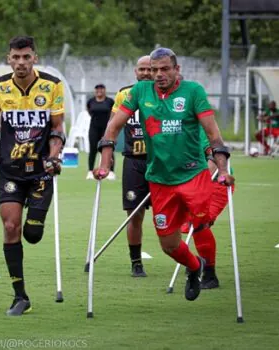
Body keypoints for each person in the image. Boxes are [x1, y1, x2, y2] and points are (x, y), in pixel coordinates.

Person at [94, 48, 234, 302]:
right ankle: (194, 267)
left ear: (176, 69)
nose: (158, 75)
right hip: (159, 180)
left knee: (200, 224)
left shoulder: (193, 92)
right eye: (154, 70)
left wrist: (223, 170)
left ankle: (210, 271)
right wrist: (105, 163)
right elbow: (113, 128)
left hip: (193, 176)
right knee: (168, 245)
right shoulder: (140, 92)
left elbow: (214, 136)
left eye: (164, 69)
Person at [0, 36, 65, 316]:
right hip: (10, 170)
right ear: (9, 59)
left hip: (41, 171)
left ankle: (36, 221)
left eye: (26, 57)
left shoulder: (52, 85)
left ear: (34, 58)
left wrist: (54, 156)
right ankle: (20, 296)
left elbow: (57, 127)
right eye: (15, 58)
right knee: (11, 227)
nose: (20, 63)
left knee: (33, 233)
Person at [110, 55, 152, 277]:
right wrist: (106, 160)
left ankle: (184, 259)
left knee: (173, 213)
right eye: (142, 69)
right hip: (134, 162)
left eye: (149, 69)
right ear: (135, 72)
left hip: (161, 163)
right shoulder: (124, 94)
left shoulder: (165, 94)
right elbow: (113, 126)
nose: (146, 73)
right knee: (134, 215)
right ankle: (136, 262)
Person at [180, 127, 235, 289]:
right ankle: (196, 263)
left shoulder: (200, 128)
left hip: (215, 183)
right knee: (185, 224)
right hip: (188, 182)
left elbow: (213, 157)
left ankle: (210, 275)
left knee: (199, 224)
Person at [86, 84, 115, 180]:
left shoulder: (109, 101)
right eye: (97, 89)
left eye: (101, 89)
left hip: (106, 129)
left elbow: (113, 112)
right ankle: (90, 171)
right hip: (94, 128)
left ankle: (111, 171)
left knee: (108, 148)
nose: (99, 91)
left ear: (104, 90)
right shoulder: (91, 101)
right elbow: (89, 111)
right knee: (93, 149)